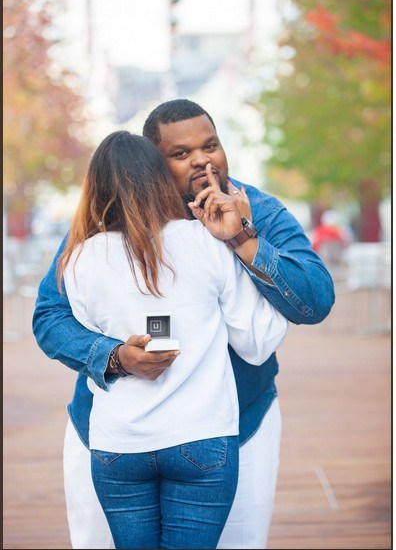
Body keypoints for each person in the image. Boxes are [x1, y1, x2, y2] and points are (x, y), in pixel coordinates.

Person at [33, 99, 335, 550]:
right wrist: (113, 356)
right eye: (180, 153)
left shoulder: (258, 210)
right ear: (152, 161)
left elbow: (314, 299)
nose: (202, 159)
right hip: (114, 431)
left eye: (210, 145)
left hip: (234, 426)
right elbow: (50, 315)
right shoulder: (103, 220)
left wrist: (242, 240)